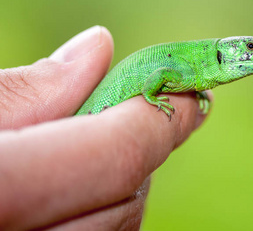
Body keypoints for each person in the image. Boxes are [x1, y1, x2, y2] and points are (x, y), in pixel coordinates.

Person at [0, 26, 209, 230]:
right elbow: (162, 75)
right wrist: (150, 96)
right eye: (244, 46)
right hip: (85, 118)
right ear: (218, 56)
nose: (244, 52)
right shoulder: (186, 70)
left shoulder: (192, 74)